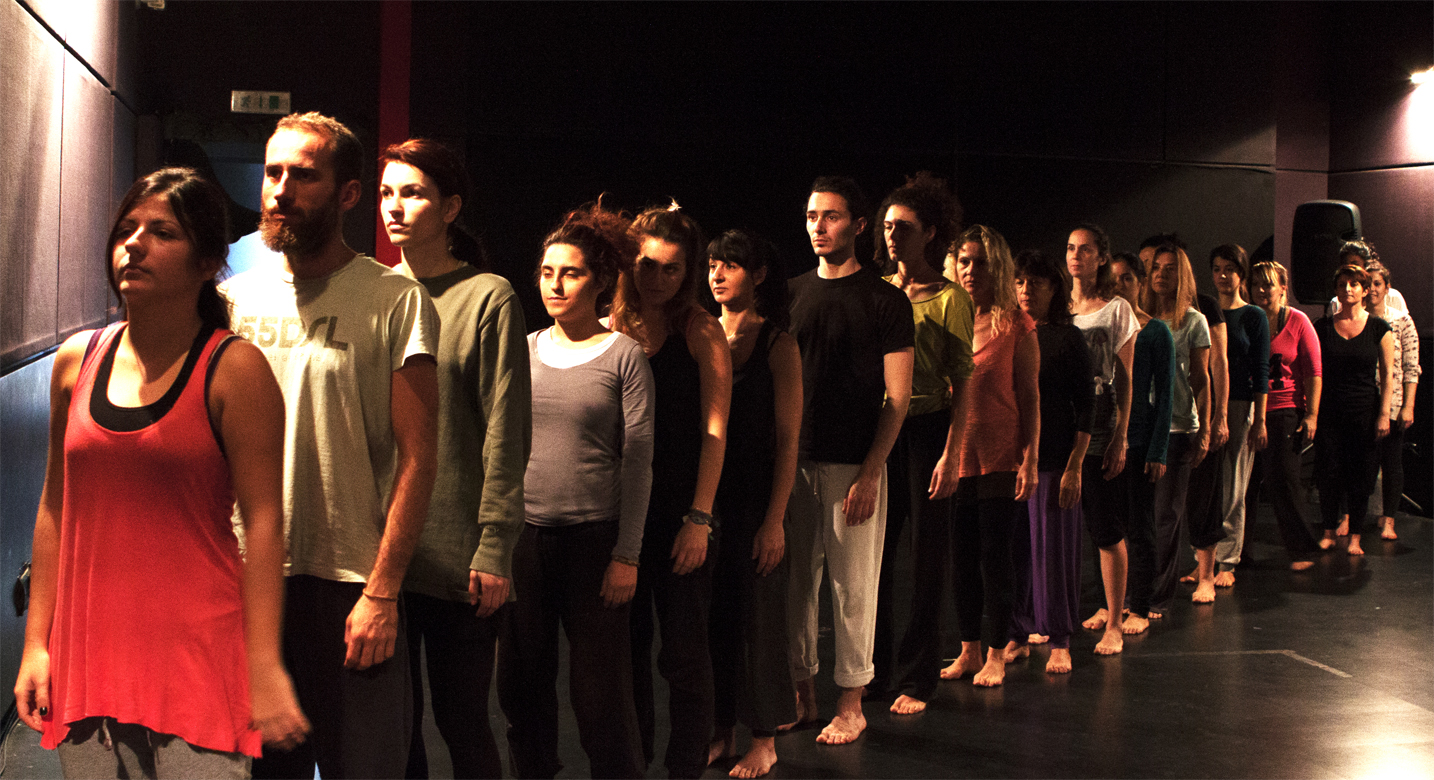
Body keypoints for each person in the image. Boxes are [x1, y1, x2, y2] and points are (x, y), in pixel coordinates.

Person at [13, 168, 310, 778]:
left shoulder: (235, 369)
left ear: (208, 263)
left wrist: (264, 665)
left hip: (197, 659)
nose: (135, 244)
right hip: (89, 654)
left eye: (163, 232)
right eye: (127, 228)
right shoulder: (76, 361)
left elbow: (264, 523)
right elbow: (54, 509)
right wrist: (36, 642)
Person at [223, 112, 440, 780]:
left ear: (348, 194)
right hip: (245, 575)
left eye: (303, 175)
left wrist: (383, 592)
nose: (281, 190)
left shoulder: (395, 300)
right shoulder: (231, 301)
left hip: (348, 582)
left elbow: (419, 457)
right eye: (273, 172)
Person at [378, 139, 531, 780]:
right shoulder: (378, 291)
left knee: (462, 721)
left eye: (413, 193)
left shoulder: (487, 296)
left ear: (450, 208)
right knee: (393, 727)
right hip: (384, 552)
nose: (395, 206)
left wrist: (494, 546)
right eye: (387, 192)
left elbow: (506, 430)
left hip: (458, 555)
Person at [496, 202, 653, 779]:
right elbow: (501, 445)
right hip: (526, 540)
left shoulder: (624, 356)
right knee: (521, 688)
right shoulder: (524, 349)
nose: (555, 285)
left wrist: (626, 555)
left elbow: (639, 461)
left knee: (599, 698)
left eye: (571, 273)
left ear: (599, 281)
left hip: (594, 543)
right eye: (547, 273)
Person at [785, 176, 914, 745]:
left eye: (831, 216)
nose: (818, 226)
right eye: (812, 215)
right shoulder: (791, 293)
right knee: (797, 586)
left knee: (852, 589)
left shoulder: (885, 299)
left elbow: (898, 397)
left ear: (859, 225)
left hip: (852, 465)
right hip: (795, 464)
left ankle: (851, 703)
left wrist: (870, 471)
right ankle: (803, 694)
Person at [608, 204, 731, 779]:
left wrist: (699, 518)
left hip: (683, 510)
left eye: (671, 268)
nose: (656, 278)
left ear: (689, 271)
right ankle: (634, 763)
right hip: (623, 515)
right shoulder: (610, 325)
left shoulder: (700, 330)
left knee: (683, 651)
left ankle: (685, 768)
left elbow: (715, 430)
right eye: (647, 265)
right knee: (626, 650)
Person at [870, 174, 973, 713]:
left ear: (930, 233)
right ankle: (872, 668)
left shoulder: (951, 298)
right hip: (881, 431)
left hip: (929, 430)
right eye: (888, 226)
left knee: (926, 558)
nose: (892, 236)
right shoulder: (879, 289)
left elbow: (964, 381)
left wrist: (952, 454)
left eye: (904, 228)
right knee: (874, 556)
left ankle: (917, 676)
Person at [704, 230, 802, 779]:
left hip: (756, 496)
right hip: (709, 496)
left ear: (759, 275)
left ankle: (763, 737)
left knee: (758, 619)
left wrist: (774, 519)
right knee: (713, 616)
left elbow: (788, 439)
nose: (717, 274)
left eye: (731, 265)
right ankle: (722, 729)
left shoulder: (776, 344)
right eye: (712, 265)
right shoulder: (703, 333)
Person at [938, 225, 1038, 687]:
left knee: (996, 559)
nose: (970, 270)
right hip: (955, 458)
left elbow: (1030, 397)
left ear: (996, 267)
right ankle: (969, 650)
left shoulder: (1017, 324)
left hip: (999, 456)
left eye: (980, 262)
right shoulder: (948, 318)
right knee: (961, 560)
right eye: (964, 261)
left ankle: (998, 651)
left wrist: (1030, 459)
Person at [1008, 250, 1092, 675]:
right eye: (1020, 281)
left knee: (1052, 554)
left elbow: (1087, 405)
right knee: (1016, 554)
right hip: (1010, 459)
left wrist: (1075, 465)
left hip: (1054, 458)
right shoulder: (1008, 332)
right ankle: (1018, 632)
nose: (1026, 290)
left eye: (1036, 283)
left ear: (1053, 287)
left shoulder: (1067, 337)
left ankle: (1059, 639)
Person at [1066, 224, 1138, 655]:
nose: (1076, 255)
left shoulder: (1116, 310)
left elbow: (1125, 379)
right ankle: (1054, 617)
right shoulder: (1059, 309)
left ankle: (1115, 621)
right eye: (1071, 248)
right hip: (1061, 425)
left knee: (1105, 526)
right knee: (1060, 528)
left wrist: (1120, 436)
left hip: (1099, 424)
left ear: (1101, 257)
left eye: (1085, 249)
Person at [1142, 245, 1214, 607]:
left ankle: (1157, 595)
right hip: (1142, 428)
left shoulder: (1194, 322)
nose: (1161, 274)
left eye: (1170, 268)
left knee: (1166, 515)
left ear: (1182, 275)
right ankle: (1136, 590)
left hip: (1178, 428)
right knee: (1142, 517)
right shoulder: (1140, 318)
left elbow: (1201, 379)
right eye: (1156, 267)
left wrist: (1205, 430)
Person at [1108, 252, 1174, 634]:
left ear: (1141, 283)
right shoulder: (1104, 326)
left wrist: (1158, 449)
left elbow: (1165, 395)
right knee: (1108, 527)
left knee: (1140, 525)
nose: (1119, 286)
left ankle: (1140, 606)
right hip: (1106, 438)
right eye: (1114, 279)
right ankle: (1111, 604)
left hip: (1139, 437)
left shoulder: (1155, 331)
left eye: (1127, 279)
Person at [1313, 265, 1395, 556]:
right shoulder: (1323, 327)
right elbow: (1314, 372)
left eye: (1354, 284)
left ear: (1364, 290)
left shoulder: (1379, 328)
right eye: (1342, 284)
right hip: (1330, 411)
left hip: (1364, 411)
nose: (1347, 289)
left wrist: (1384, 414)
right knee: (1329, 472)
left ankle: (1356, 537)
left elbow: (1388, 375)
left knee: (1360, 475)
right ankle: (1328, 531)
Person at [1245, 261, 1322, 568]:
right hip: (1249, 410)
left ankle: (1301, 549)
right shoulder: (1247, 320)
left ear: (1282, 288)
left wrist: (1312, 415)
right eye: (1256, 284)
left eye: (1268, 284)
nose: (1261, 290)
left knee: (1284, 482)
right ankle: (1237, 553)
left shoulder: (1297, 321)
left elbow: (1313, 371)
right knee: (1244, 485)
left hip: (1284, 410)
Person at [1207, 245, 1269, 586]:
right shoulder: (1205, 311)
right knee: (1206, 486)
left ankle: (1228, 560)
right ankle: (1203, 559)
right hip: (1206, 404)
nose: (1223, 275)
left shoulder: (1253, 316)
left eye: (1229, 269)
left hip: (1240, 405)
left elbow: (1261, 371)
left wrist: (1259, 420)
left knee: (1233, 485)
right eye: (1217, 269)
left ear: (1241, 274)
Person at [1365, 260, 1418, 541]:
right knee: (1360, 462)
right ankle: (1350, 516)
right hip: (1362, 401)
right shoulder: (1357, 319)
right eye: (1368, 283)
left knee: (1391, 462)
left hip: (1394, 402)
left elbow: (1411, 367)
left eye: (1377, 283)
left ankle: (1388, 520)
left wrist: (1408, 405)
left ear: (1387, 288)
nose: (1372, 289)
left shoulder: (1401, 321)